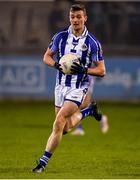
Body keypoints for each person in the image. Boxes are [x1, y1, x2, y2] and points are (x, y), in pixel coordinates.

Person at [32, 4, 108, 173]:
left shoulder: (92, 42)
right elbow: (46, 57)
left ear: (85, 18)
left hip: (78, 88)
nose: (76, 20)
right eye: (73, 17)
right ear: (69, 18)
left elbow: (102, 71)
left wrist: (84, 70)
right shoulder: (60, 37)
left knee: (58, 121)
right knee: (64, 128)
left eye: (79, 17)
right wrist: (57, 65)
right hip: (60, 87)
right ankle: (89, 111)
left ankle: (42, 163)